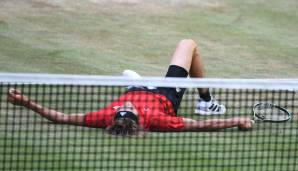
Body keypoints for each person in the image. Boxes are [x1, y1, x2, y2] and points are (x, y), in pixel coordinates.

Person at [7, 39, 253, 137]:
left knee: (130, 79)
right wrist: (236, 120)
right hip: (165, 95)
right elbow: (202, 126)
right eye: (129, 108)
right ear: (139, 117)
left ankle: (137, 82)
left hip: (136, 88)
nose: (124, 105)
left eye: (121, 107)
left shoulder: (105, 116)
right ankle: (207, 102)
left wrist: (26, 102)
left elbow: (61, 118)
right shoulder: (157, 119)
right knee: (188, 45)